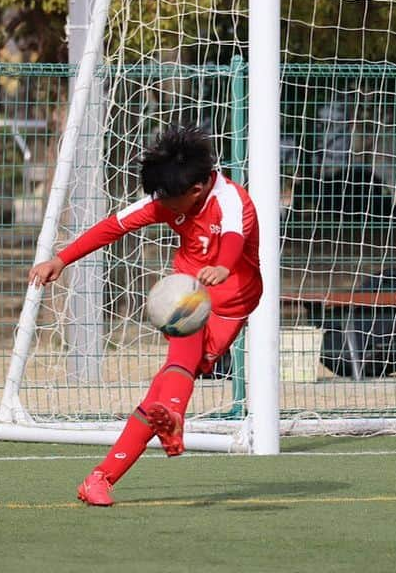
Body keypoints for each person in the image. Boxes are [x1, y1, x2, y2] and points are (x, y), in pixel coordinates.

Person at [29, 124, 262, 507]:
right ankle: (107, 472)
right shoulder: (165, 199)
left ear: (197, 190)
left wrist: (222, 266)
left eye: (169, 201)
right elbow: (111, 227)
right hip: (187, 294)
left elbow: (235, 238)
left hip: (234, 302)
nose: (162, 206)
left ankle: (161, 422)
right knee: (179, 361)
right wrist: (60, 259)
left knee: (167, 385)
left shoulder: (233, 201)